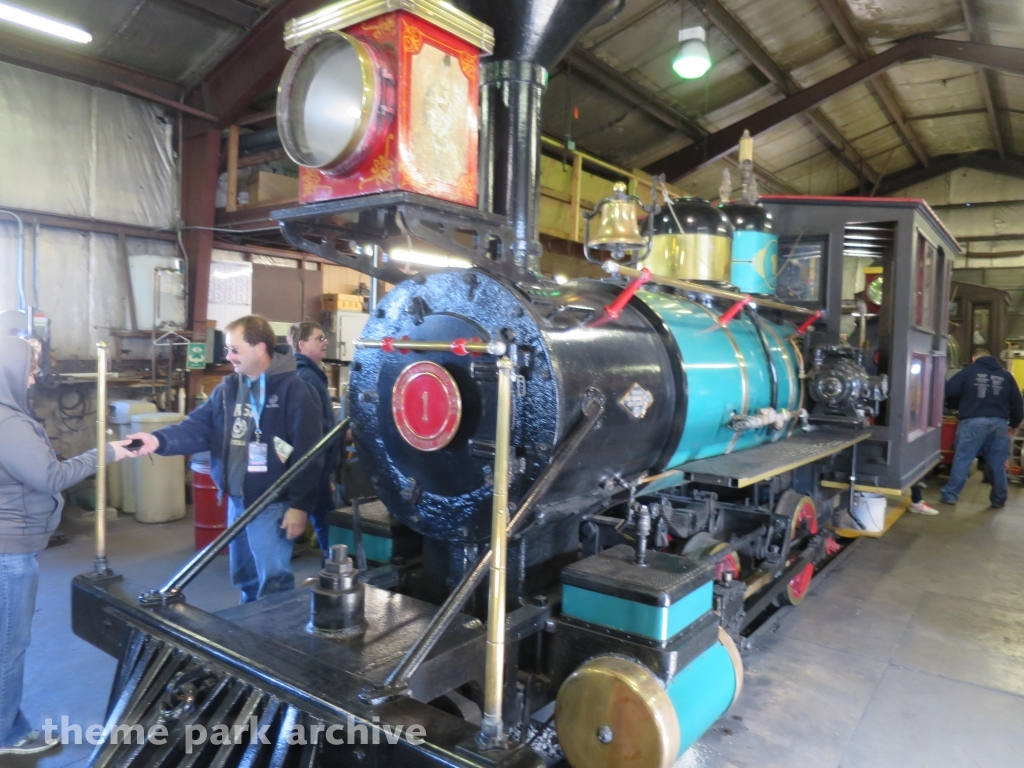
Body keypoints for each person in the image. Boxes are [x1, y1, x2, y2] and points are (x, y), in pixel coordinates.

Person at [0, 337, 134, 756]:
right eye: (30, 369)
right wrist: (106, 452)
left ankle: (10, 719)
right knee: (9, 646)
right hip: (10, 552)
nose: (35, 377)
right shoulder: (9, 423)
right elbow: (51, 477)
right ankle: (6, 736)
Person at [130, 315, 323, 602]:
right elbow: (198, 427)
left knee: (272, 582)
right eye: (227, 350)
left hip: (273, 503)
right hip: (238, 500)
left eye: (235, 349)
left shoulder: (294, 390)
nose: (228, 357)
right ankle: (250, 630)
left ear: (259, 348)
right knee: (245, 577)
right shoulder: (227, 390)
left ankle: (274, 640)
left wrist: (300, 506)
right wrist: (157, 440)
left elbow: (310, 451)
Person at [940, 347, 1024, 509]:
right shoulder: (1006, 375)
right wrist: (1014, 424)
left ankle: (950, 495)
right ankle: (999, 498)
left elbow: (949, 390)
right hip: (999, 424)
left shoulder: (969, 371)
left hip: (972, 422)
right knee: (997, 463)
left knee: (963, 459)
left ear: (974, 358)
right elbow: (1017, 403)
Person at [288, 322, 340, 555]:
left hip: (317, 465)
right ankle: (332, 576)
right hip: (312, 465)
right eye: (319, 338)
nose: (325, 342)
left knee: (325, 522)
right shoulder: (306, 376)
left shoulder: (312, 374)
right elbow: (311, 429)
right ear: (301, 344)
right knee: (326, 525)